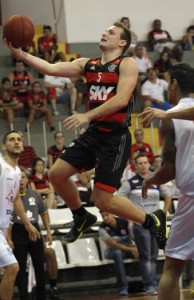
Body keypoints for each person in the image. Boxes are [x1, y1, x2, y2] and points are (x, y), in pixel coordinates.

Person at [5, 22, 167, 251]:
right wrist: (21, 54)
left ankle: (153, 220)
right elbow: (50, 68)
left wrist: (86, 115)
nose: (104, 32)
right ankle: (81, 216)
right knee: (56, 174)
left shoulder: (126, 63)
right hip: (94, 134)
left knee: (102, 200)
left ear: (122, 42)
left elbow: (121, 100)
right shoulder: (88, 64)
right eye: (105, 30)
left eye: (111, 32)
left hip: (115, 137)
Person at [141, 63, 194, 300]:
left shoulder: (170, 117)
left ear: (173, 85)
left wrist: (151, 179)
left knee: (172, 268)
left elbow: (168, 169)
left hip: (192, 197)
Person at [117, 154, 172, 295]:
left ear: (149, 164)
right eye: (140, 163)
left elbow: (169, 195)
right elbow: (118, 198)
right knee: (146, 256)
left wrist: (163, 213)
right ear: (135, 166)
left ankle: (153, 284)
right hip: (140, 223)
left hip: (156, 222)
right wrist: (131, 213)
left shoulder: (156, 180)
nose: (143, 165)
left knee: (154, 256)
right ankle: (149, 285)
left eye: (145, 162)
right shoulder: (130, 182)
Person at [9, 169, 62, 300]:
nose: (21, 180)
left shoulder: (35, 195)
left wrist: (48, 231)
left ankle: (41, 295)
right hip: (18, 230)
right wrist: (9, 239)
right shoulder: (10, 196)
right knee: (20, 266)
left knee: (39, 264)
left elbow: (43, 213)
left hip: (35, 229)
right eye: (18, 177)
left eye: (23, 177)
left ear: (27, 180)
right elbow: (7, 220)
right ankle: (23, 296)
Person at [0, 131, 40, 300]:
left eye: (18, 139)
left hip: (2, 228)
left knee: (7, 271)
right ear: (3, 146)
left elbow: (15, 199)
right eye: (11, 139)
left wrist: (27, 223)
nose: (16, 142)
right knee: (12, 267)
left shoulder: (17, 172)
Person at [99, 211, 138, 296]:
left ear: (112, 214)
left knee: (144, 251)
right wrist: (131, 249)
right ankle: (123, 286)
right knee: (117, 253)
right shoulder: (102, 228)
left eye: (107, 215)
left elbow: (134, 238)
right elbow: (114, 244)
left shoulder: (125, 223)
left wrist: (136, 249)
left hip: (128, 249)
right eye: (103, 216)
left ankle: (149, 284)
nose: (105, 218)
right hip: (111, 251)